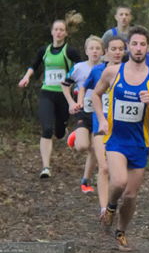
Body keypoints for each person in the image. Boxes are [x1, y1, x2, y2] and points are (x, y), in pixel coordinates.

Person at [93, 26, 149, 251]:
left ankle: (121, 232)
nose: (138, 48)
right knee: (118, 182)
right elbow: (96, 95)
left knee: (132, 194)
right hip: (116, 139)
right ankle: (110, 206)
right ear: (128, 46)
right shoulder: (112, 72)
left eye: (142, 44)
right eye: (134, 44)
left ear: (148, 47)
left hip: (139, 142)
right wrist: (102, 119)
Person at [18, 13, 83, 179]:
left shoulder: (70, 51)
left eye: (62, 30)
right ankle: (46, 167)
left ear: (66, 33)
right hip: (47, 93)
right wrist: (26, 77)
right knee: (47, 128)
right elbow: (34, 65)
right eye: (56, 29)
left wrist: (79, 85)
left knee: (60, 132)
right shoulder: (44, 50)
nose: (59, 32)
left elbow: (82, 67)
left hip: (64, 96)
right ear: (52, 32)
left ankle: (62, 130)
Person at [79, 36, 127, 222]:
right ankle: (104, 209)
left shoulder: (129, 72)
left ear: (124, 52)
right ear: (106, 51)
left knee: (121, 174)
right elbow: (84, 88)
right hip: (101, 125)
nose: (116, 52)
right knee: (104, 167)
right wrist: (81, 102)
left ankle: (114, 202)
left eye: (120, 49)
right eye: (113, 49)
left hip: (122, 128)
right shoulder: (98, 70)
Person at [65, 35, 104, 194]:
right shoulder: (79, 67)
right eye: (91, 48)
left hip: (99, 112)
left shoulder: (106, 68)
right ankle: (75, 135)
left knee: (95, 148)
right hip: (83, 110)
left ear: (102, 51)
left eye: (97, 49)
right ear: (86, 51)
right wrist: (71, 103)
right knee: (82, 146)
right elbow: (65, 85)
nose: (94, 51)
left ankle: (85, 180)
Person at [101, 6, 149, 72]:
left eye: (126, 15)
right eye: (121, 14)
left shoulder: (137, 34)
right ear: (116, 17)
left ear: (131, 17)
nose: (124, 17)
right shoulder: (109, 34)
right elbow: (101, 52)